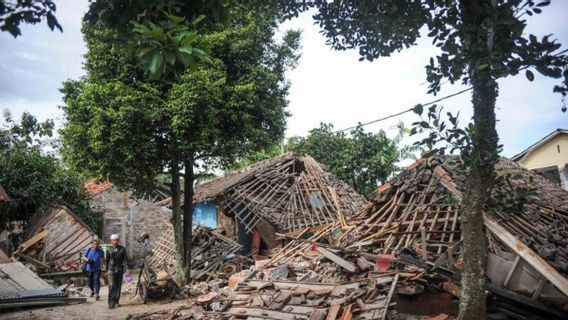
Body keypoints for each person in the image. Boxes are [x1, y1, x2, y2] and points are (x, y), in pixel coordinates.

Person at [106, 234, 129, 309]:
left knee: (118, 286)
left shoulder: (122, 249)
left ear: (118, 241)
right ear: (111, 241)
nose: (115, 241)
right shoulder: (108, 249)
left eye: (116, 240)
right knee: (112, 285)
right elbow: (107, 261)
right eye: (114, 240)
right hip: (111, 269)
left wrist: (127, 269)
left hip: (119, 269)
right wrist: (106, 270)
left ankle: (116, 301)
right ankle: (110, 302)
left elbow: (125, 260)